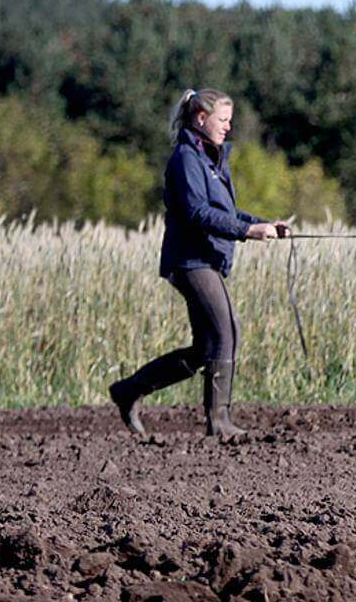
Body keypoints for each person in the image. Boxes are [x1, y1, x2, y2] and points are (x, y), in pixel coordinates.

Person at [108, 88, 289, 436]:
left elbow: (225, 212)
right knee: (227, 330)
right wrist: (247, 231)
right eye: (223, 120)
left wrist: (262, 223)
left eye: (230, 120)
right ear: (201, 118)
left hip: (204, 259)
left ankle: (129, 390)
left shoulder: (211, 159)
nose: (228, 127)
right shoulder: (186, 159)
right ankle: (219, 422)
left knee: (206, 346)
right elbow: (196, 212)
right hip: (190, 260)